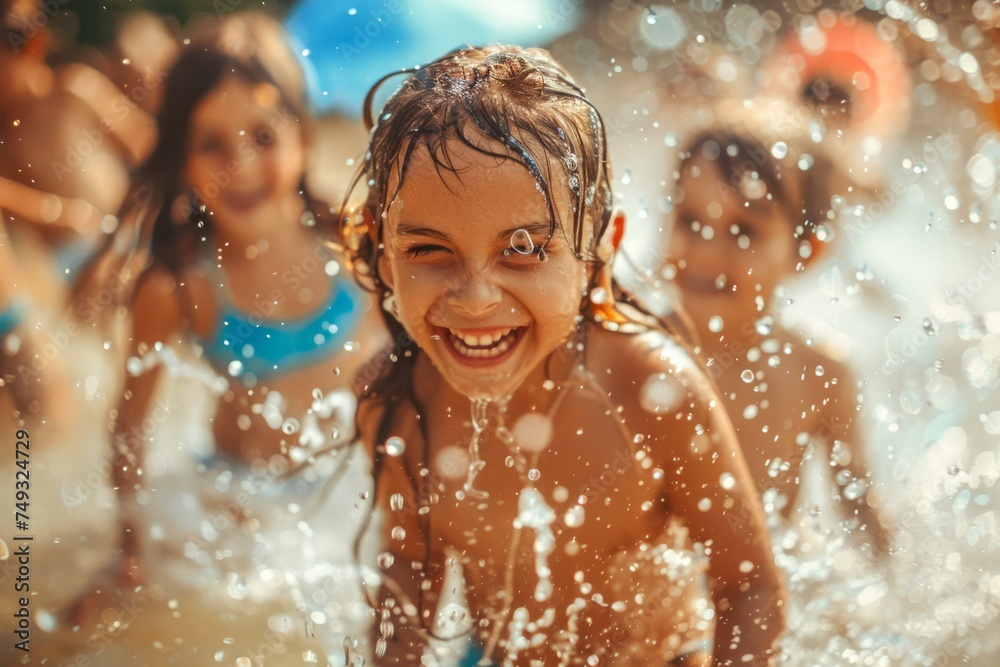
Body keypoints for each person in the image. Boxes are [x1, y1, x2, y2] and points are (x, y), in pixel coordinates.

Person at [344, 45, 783, 665]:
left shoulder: (654, 392)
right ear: (382, 247)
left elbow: (750, 588)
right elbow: (409, 588)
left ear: (599, 247)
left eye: (521, 248)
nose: (475, 299)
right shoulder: (397, 405)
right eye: (427, 250)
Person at [89, 12, 382, 603]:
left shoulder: (359, 248)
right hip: (238, 502)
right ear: (181, 157)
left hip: (349, 488)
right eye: (212, 144)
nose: (241, 164)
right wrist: (128, 553)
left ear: (302, 134)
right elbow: (128, 428)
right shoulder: (181, 288)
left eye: (263, 137)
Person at [663, 99, 889, 554]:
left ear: (808, 252)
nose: (706, 252)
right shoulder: (627, 350)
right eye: (689, 220)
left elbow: (860, 509)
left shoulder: (820, 375)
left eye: (744, 230)